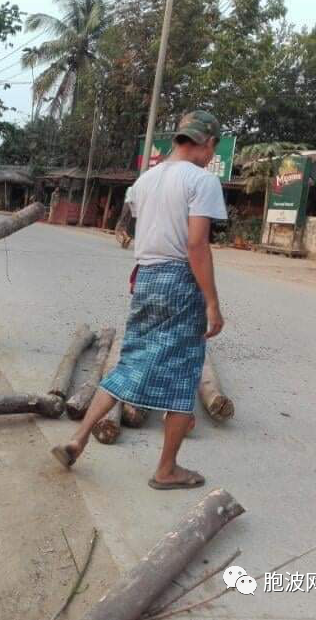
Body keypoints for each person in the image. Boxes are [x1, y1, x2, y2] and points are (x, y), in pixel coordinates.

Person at [52, 111, 227, 490]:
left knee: (132, 361)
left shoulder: (145, 181)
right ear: (207, 142)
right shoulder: (202, 181)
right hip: (181, 281)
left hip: (145, 279)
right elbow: (197, 245)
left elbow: (134, 227)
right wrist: (212, 301)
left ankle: (77, 439)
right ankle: (166, 470)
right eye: (213, 147)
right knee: (183, 373)